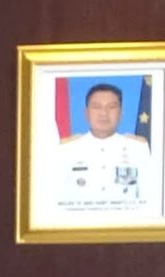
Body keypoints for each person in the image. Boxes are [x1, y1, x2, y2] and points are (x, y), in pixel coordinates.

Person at [45, 81, 154, 213]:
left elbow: (149, 200)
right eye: (96, 107)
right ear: (86, 113)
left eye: (111, 107)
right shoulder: (67, 149)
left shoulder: (138, 148)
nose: (104, 113)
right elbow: (56, 201)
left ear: (121, 113)